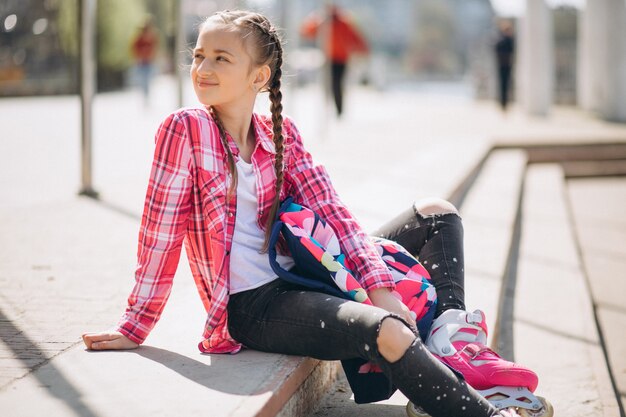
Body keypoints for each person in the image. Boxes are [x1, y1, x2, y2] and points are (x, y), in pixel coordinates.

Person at [82, 10, 528, 417]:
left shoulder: (281, 133)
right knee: (386, 329)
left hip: (310, 268)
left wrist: (380, 286)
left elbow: (332, 212)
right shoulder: (186, 129)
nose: (203, 69)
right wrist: (136, 323)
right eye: (199, 56)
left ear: (259, 76)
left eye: (221, 58)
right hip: (255, 304)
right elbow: (159, 231)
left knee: (436, 214)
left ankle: (452, 345)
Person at [301, 6, 369, 117]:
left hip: (341, 59)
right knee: (328, 84)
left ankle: (339, 110)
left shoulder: (344, 23)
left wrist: (363, 49)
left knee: (336, 84)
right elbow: (307, 31)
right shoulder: (322, 22)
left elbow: (355, 37)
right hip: (328, 59)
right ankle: (328, 109)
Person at [131, 17, 159, 105]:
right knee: (142, 80)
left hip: (149, 62)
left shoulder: (152, 38)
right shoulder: (138, 39)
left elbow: (155, 48)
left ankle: (146, 97)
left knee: (147, 80)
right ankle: (144, 96)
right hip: (141, 63)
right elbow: (134, 49)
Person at [494, 21, 515, 111]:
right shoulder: (503, 40)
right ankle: (503, 103)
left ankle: (505, 102)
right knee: (503, 84)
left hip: (507, 65)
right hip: (503, 65)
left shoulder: (509, 40)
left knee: (507, 84)